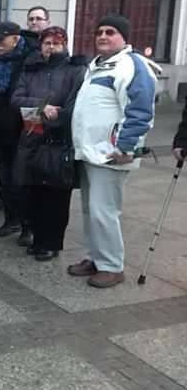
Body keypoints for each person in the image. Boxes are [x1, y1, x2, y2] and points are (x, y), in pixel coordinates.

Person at [70, 14, 156, 288]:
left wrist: (125, 146)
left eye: (110, 32)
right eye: (99, 32)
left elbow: (140, 112)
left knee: (104, 211)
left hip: (111, 154)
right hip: (90, 152)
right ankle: (94, 258)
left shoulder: (131, 65)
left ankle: (111, 266)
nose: (103, 36)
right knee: (90, 211)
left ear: (123, 37)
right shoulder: (97, 65)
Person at [11, 26, 87, 260]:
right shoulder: (31, 69)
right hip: (32, 138)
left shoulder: (75, 71)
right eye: (47, 43)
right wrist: (42, 107)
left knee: (56, 196)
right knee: (33, 192)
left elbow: (74, 107)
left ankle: (52, 243)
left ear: (64, 45)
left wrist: (53, 117)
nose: (51, 47)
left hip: (59, 140)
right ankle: (38, 238)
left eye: (56, 43)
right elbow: (16, 99)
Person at [0, 21, 32, 243]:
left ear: (15, 39)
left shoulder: (29, 60)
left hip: (23, 128)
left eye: (1, 40)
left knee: (22, 179)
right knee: (5, 177)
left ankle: (27, 225)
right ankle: (11, 218)